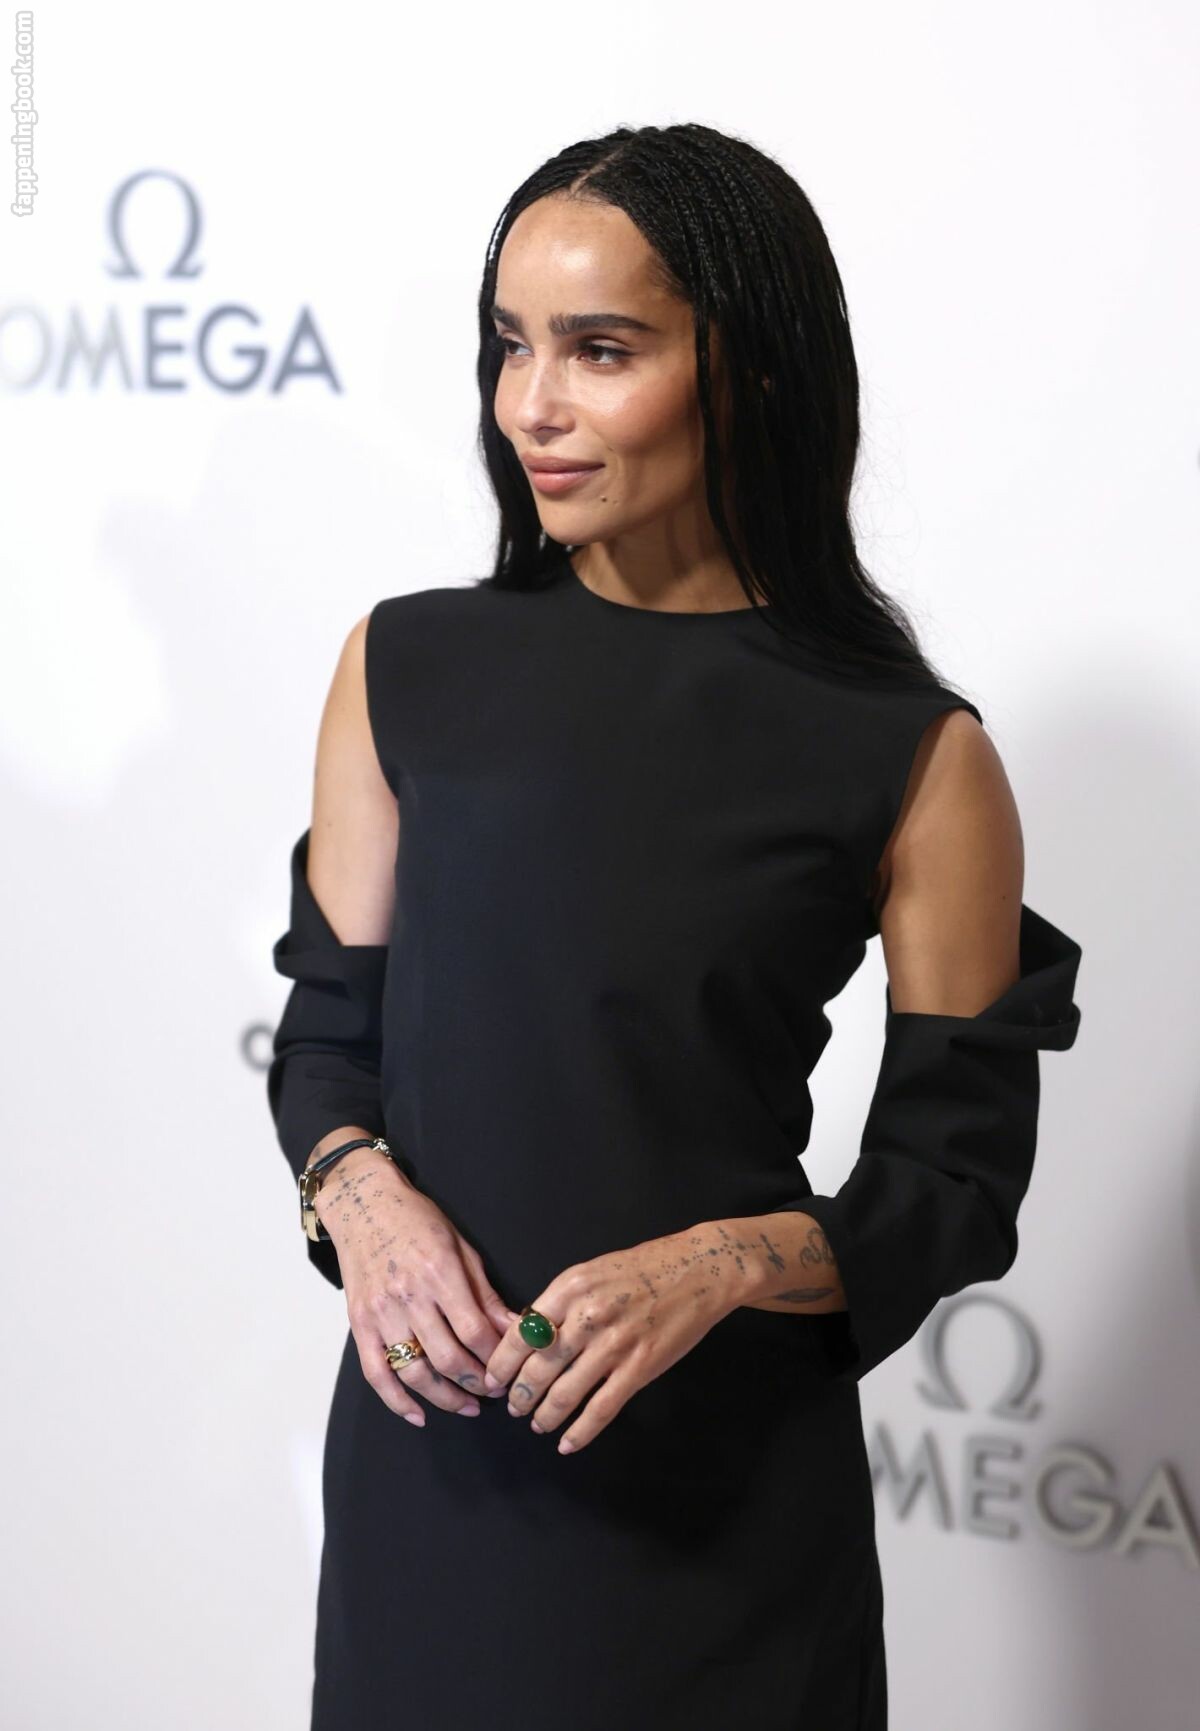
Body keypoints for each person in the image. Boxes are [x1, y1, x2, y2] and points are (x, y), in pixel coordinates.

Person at [267, 121, 1083, 1731]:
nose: (532, 406)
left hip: (722, 1525)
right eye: (510, 346)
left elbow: (954, 1183)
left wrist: (716, 1264)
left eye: (601, 350)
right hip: (430, 1484)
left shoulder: (913, 753)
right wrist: (362, 1205)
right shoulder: (404, 668)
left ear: (750, 371)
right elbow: (328, 1044)